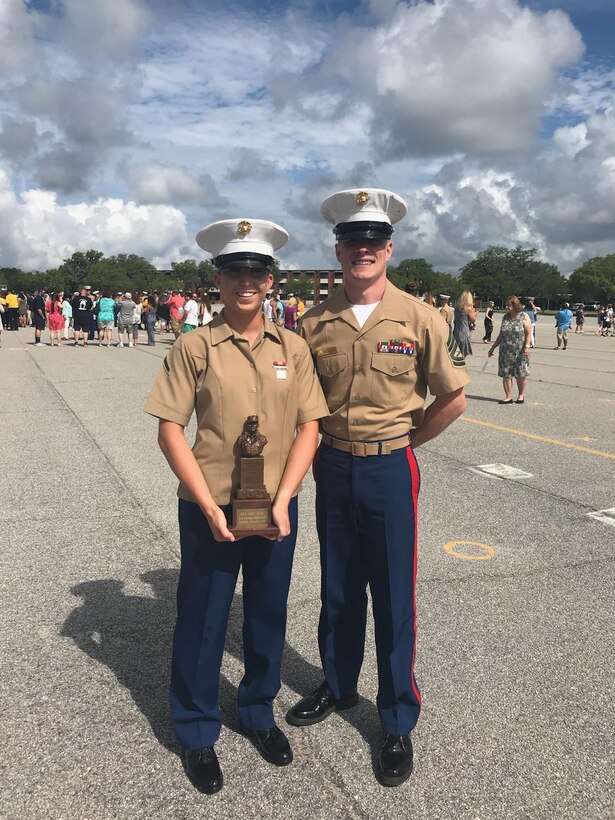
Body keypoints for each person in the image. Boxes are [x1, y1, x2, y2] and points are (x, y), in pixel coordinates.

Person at [287, 188, 469, 787]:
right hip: (332, 465)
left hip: (391, 466)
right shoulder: (313, 323)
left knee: (393, 595)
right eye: (350, 241)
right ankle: (339, 687)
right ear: (337, 249)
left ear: (388, 249)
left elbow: (453, 398)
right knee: (338, 588)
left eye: (372, 242)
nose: (361, 250)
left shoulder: (420, 316)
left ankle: (395, 719)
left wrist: (407, 444)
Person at [145, 218, 328, 795]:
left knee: (269, 613)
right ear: (218, 280)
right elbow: (171, 429)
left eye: (256, 271)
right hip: (211, 506)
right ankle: (197, 729)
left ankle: (257, 711)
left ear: (270, 281)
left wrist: (287, 497)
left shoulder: (292, 349)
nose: (246, 281)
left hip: (275, 508)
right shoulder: (194, 346)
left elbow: (310, 425)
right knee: (203, 618)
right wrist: (206, 504)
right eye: (234, 271)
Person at [488, 295, 532, 403]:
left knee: (520, 373)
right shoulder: (505, 317)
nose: (506, 307)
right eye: (506, 305)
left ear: (515, 305)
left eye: (508, 305)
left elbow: (528, 333)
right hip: (505, 351)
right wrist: (493, 347)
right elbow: (501, 334)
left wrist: (527, 347)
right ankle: (508, 396)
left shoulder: (524, 316)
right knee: (506, 374)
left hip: (520, 351)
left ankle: (521, 395)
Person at [453, 291, 476, 357]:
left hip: (456, 332)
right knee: (462, 355)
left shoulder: (457, 308)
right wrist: (475, 314)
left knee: (456, 354)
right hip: (464, 333)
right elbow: (473, 320)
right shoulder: (468, 309)